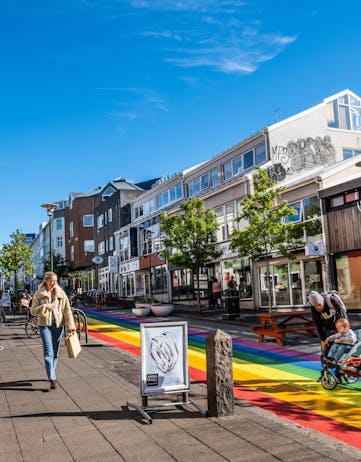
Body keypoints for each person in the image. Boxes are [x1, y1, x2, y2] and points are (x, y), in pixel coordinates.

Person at [30, 271, 76, 390]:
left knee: (55, 352)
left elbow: (67, 309)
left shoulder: (61, 293)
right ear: (46, 281)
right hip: (44, 324)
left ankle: (51, 372)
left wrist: (71, 325)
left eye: (56, 280)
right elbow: (33, 310)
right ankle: (52, 378)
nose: (54, 282)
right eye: (52, 280)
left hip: (58, 324)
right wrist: (44, 306)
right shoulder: (39, 294)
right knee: (48, 351)